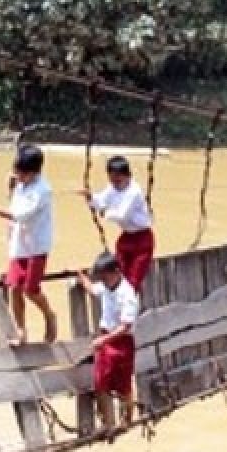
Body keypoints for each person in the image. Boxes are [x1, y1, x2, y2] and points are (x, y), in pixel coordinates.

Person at [0, 144, 58, 345]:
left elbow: (16, 215)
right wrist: (11, 188)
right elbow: (14, 205)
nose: (17, 175)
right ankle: (21, 332)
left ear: (34, 173)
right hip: (19, 244)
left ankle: (49, 315)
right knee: (14, 287)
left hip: (36, 246)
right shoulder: (21, 184)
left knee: (30, 289)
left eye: (21, 173)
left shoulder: (42, 191)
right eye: (16, 171)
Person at [76, 251, 139, 431]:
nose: (102, 280)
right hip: (106, 342)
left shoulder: (127, 294)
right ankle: (108, 424)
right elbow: (93, 289)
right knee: (100, 383)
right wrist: (81, 276)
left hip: (121, 342)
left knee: (124, 385)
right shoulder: (106, 286)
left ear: (116, 272)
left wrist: (103, 340)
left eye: (105, 276)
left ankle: (127, 419)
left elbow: (126, 326)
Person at [80, 155, 154, 292]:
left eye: (118, 180)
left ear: (128, 176)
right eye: (112, 180)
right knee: (117, 275)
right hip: (126, 237)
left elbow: (122, 215)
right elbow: (102, 200)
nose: (115, 184)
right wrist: (91, 197)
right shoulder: (113, 187)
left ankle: (127, 310)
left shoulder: (134, 192)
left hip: (142, 240)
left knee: (132, 282)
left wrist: (104, 211)